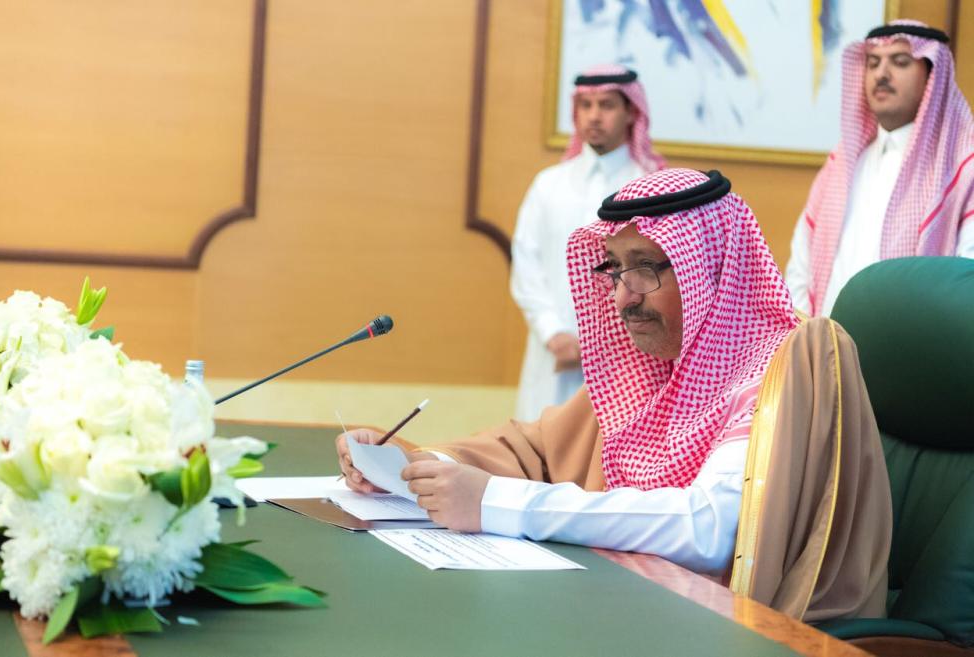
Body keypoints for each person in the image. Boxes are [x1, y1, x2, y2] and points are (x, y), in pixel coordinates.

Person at [337, 169, 890, 620]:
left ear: (711, 266)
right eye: (616, 269)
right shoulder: (647, 366)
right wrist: (410, 467)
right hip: (630, 605)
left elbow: (710, 529)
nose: (624, 297)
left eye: (646, 268)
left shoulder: (782, 366)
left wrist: (495, 502)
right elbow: (535, 450)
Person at [786, 20, 974, 316]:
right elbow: (801, 265)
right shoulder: (842, 164)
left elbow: (966, 275)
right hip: (826, 340)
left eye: (900, 62)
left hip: (912, 339)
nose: (881, 74)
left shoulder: (961, 167)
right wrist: (806, 334)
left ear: (932, 77)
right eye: (873, 63)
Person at [510, 64, 664, 421]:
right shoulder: (548, 185)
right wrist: (553, 332)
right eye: (586, 105)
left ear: (631, 112)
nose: (594, 116)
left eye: (607, 105)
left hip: (627, 355)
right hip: (552, 354)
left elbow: (658, 273)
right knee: (539, 442)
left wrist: (605, 340)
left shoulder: (651, 187)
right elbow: (526, 264)